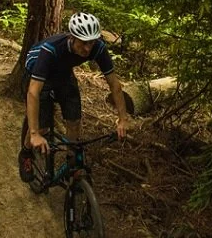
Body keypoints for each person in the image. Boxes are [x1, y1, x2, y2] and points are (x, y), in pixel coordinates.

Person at [18, 12, 129, 183]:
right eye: (83, 43)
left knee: (74, 121)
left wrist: (122, 119)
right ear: (72, 37)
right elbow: (33, 92)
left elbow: (115, 84)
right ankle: (25, 153)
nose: (87, 49)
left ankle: (72, 164)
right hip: (38, 74)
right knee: (42, 129)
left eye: (91, 42)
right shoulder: (51, 49)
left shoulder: (97, 47)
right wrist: (34, 134)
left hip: (63, 73)